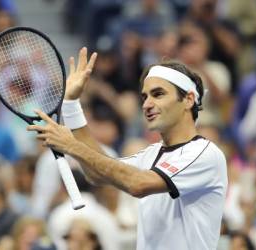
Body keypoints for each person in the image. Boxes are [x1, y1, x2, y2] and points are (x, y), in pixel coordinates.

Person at [27, 47, 228, 250]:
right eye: (144, 97)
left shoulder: (205, 154)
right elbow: (96, 173)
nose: (147, 104)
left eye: (158, 94)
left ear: (188, 99)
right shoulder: (151, 154)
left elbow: (137, 184)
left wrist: (72, 145)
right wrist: (71, 104)